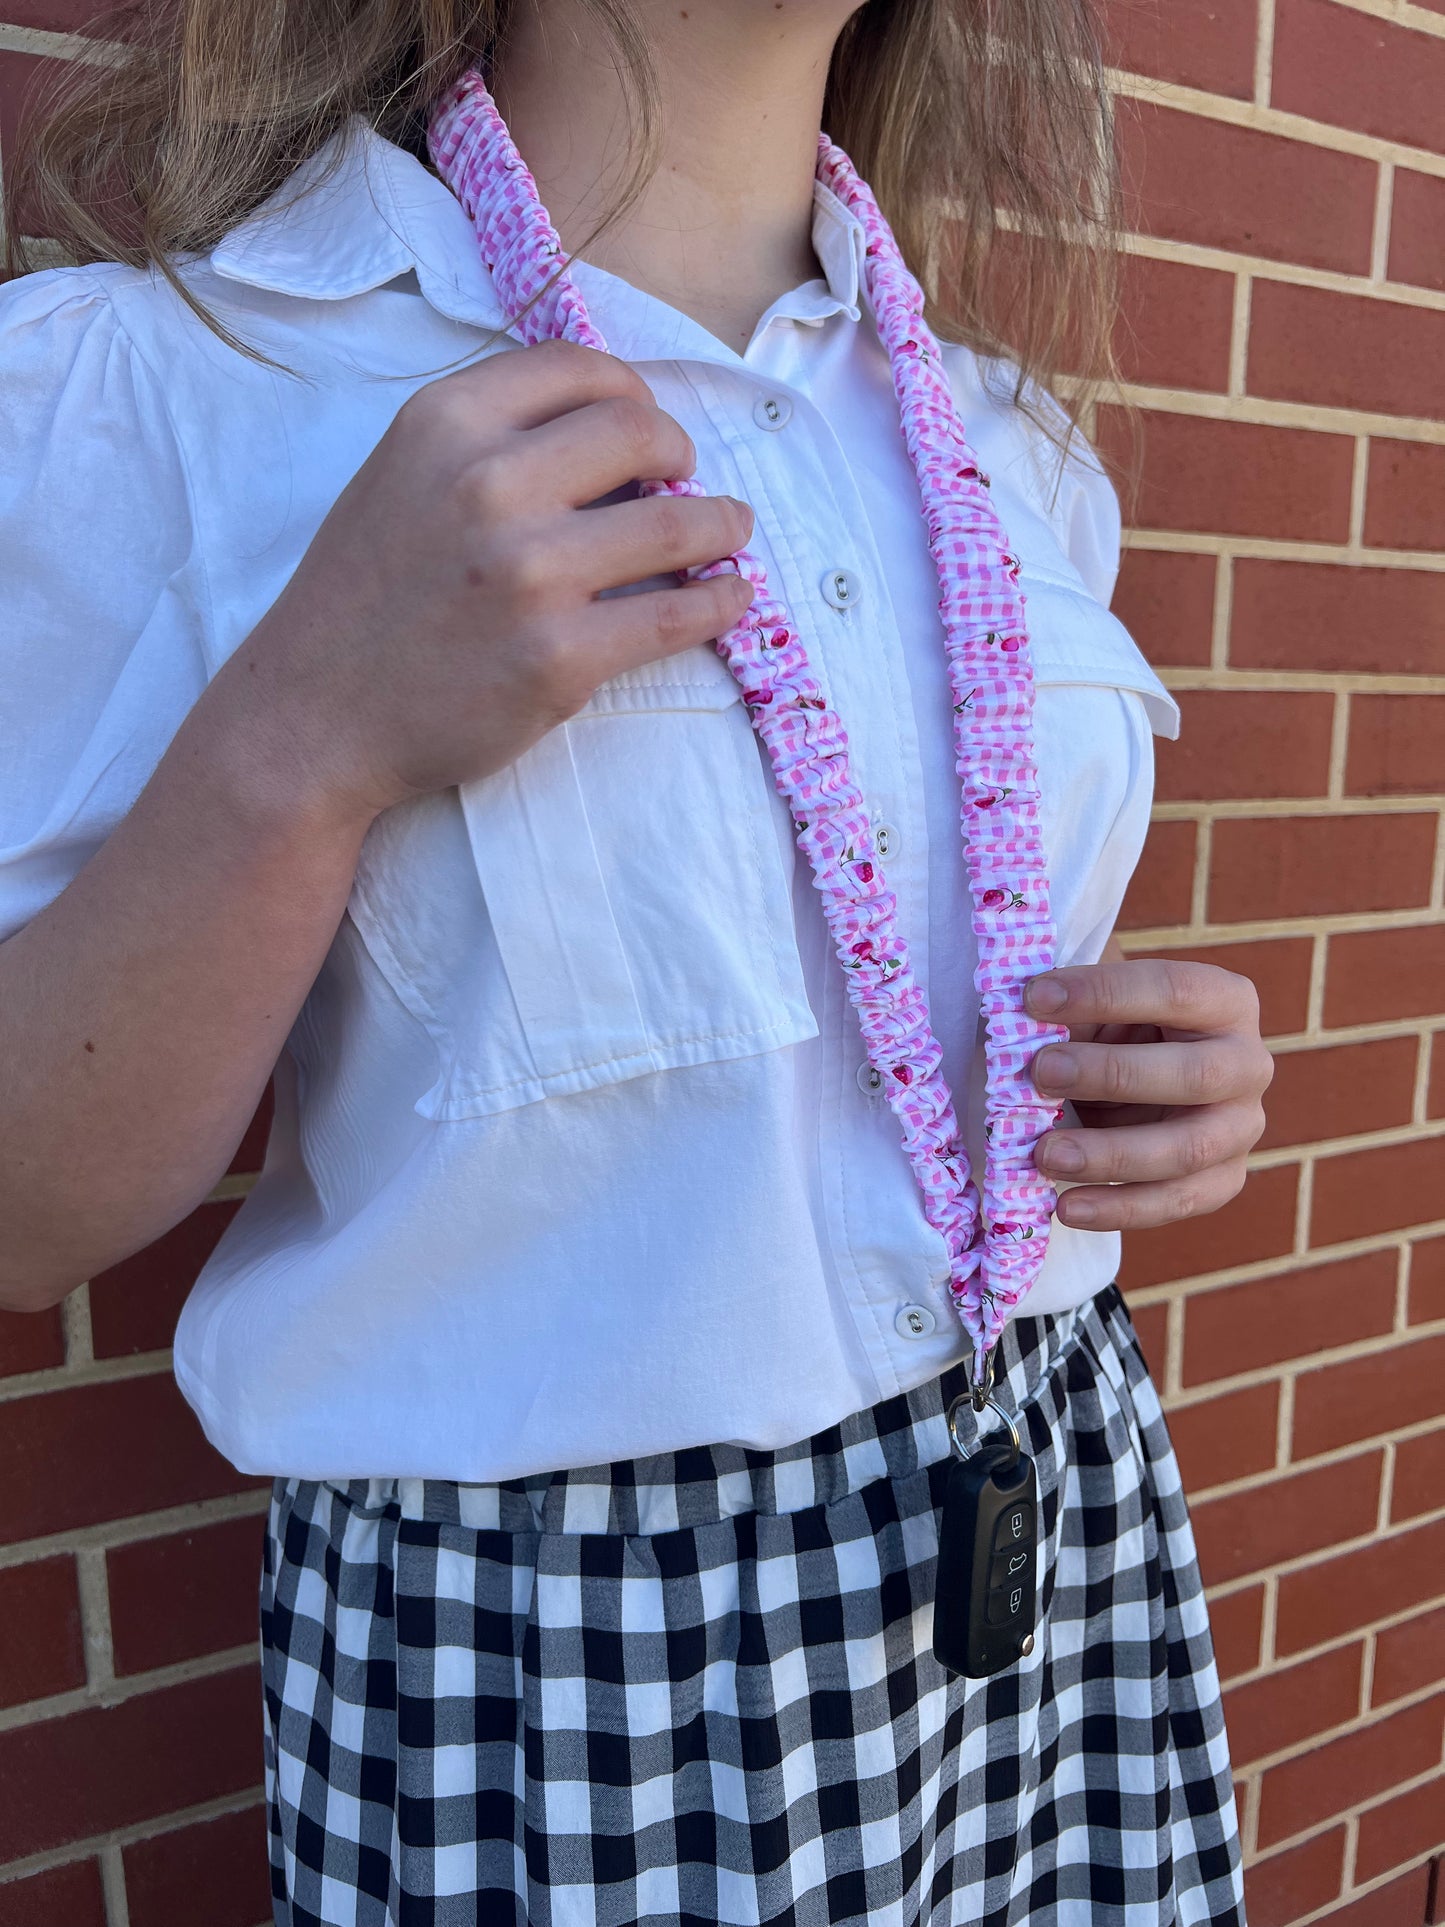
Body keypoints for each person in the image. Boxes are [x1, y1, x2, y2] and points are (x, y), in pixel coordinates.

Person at [0, 1, 1272, 1920]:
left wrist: (1165, 1100)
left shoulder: (1009, 445)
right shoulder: (172, 386)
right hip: (564, 1661)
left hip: (1059, 1528)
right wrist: (308, 734)